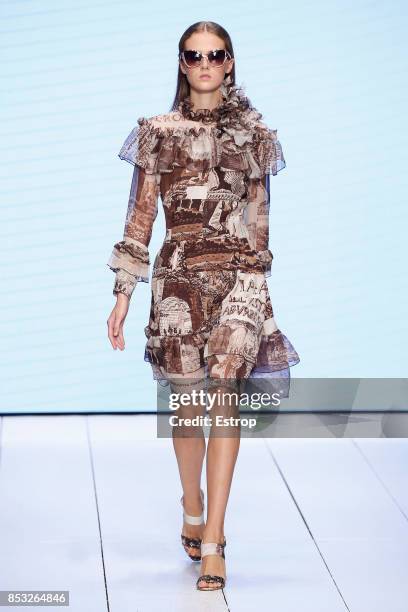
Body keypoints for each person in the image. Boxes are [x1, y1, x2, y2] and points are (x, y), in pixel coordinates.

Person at [107, 21, 300, 591]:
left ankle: (213, 539)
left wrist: (260, 291)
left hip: (239, 280)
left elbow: (260, 219)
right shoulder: (156, 132)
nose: (206, 64)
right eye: (194, 56)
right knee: (187, 412)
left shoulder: (256, 134)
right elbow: (140, 217)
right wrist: (122, 296)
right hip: (179, 281)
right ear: (182, 64)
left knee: (224, 402)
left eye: (216, 54)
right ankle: (191, 503)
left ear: (231, 62)